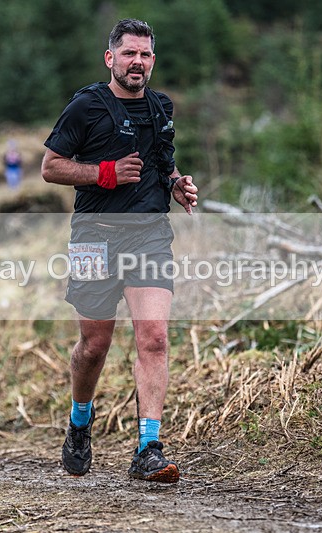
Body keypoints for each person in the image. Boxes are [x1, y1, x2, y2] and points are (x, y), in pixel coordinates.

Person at [41, 19, 198, 483]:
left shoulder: (160, 107)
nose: (138, 62)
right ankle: (79, 423)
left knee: (154, 337)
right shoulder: (86, 107)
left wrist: (177, 185)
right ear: (111, 58)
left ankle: (148, 447)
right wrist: (103, 174)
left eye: (146, 55)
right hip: (94, 235)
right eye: (129, 53)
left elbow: (162, 163)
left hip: (149, 235)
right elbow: (51, 168)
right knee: (95, 345)